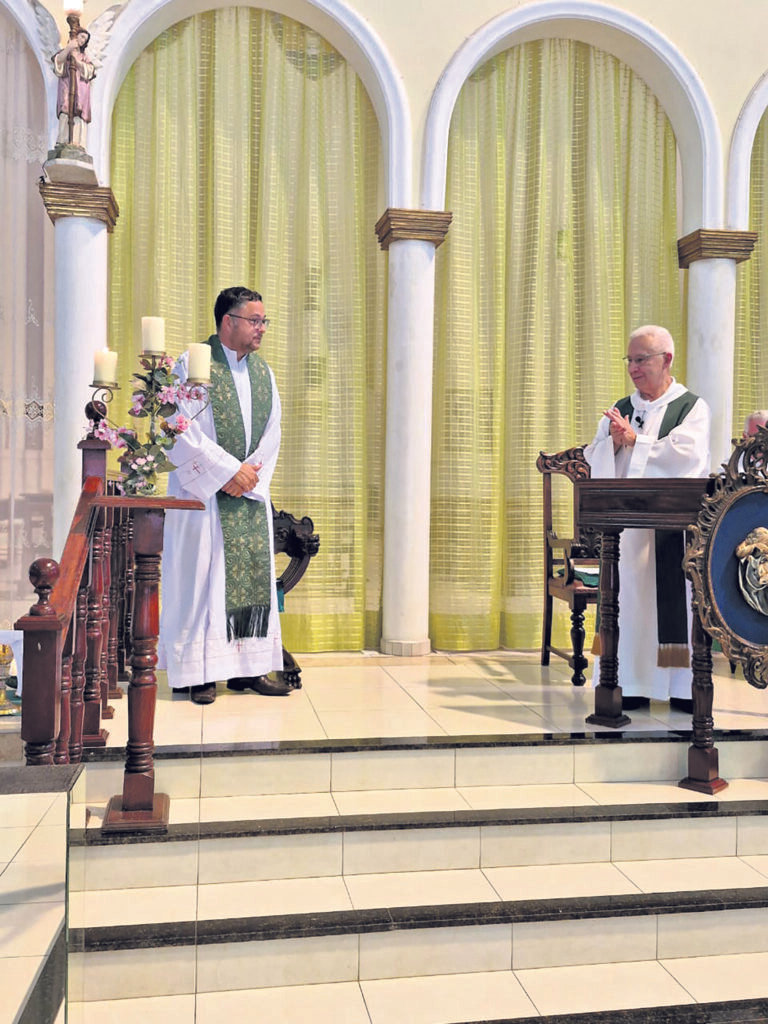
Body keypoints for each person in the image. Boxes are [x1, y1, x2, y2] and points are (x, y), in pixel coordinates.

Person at [158, 287, 290, 704]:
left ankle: (247, 669)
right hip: (203, 500)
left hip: (245, 496)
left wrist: (248, 475)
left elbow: (273, 433)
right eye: (255, 320)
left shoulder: (263, 373)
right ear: (228, 321)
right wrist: (229, 472)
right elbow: (179, 426)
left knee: (249, 584)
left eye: (264, 321)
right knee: (200, 581)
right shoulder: (192, 364)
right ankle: (197, 674)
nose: (262, 329)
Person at [584, 325, 711, 711]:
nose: (634, 369)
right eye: (630, 360)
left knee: (674, 601)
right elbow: (594, 457)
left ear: (666, 360)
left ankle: (679, 688)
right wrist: (613, 443)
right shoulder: (621, 408)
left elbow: (686, 456)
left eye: (642, 360)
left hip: (671, 531)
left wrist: (636, 442)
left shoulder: (691, 407)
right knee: (630, 602)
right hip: (626, 531)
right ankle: (632, 682)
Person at [52, 28, 95, 149]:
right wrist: (68, 48)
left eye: (85, 39)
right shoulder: (65, 54)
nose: (82, 40)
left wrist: (78, 62)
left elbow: (90, 71)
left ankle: (77, 142)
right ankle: (63, 141)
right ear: (75, 36)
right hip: (66, 87)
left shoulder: (84, 57)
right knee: (65, 109)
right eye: (81, 37)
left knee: (79, 114)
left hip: (81, 91)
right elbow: (58, 64)